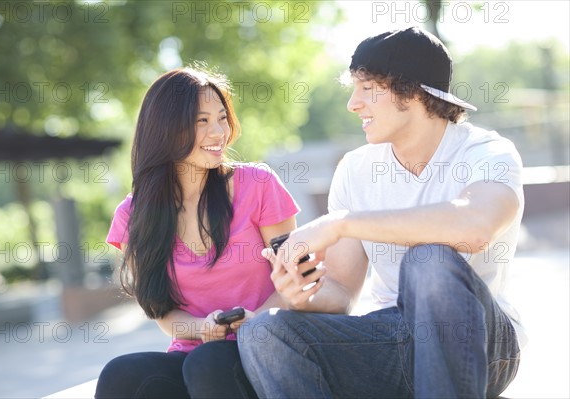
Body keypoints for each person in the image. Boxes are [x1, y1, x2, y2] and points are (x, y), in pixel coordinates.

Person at [238, 27, 525, 398]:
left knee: (429, 261)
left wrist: (340, 224)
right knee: (264, 331)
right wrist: (303, 293)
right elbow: (341, 293)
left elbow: (475, 227)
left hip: (482, 342)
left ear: (413, 90)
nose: (353, 104)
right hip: (392, 338)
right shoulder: (356, 169)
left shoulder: (487, 152)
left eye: (367, 87)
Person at [95, 67, 300, 398]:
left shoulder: (258, 185)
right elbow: (162, 311)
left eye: (222, 118)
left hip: (267, 345)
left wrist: (254, 321)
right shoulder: (133, 215)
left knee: (206, 363)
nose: (218, 131)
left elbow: (294, 282)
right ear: (165, 129)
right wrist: (203, 329)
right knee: (121, 374)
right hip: (195, 356)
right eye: (202, 121)